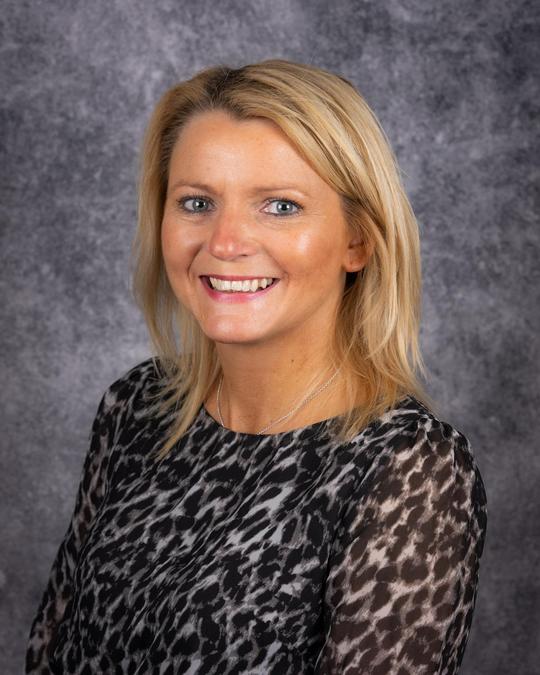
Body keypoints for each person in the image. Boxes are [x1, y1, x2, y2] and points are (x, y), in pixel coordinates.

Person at [25, 59, 488, 674]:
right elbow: (50, 651)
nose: (224, 242)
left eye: (280, 206)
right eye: (196, 202)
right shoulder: (137, 406)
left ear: (358, 240)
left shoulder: (413, 471)